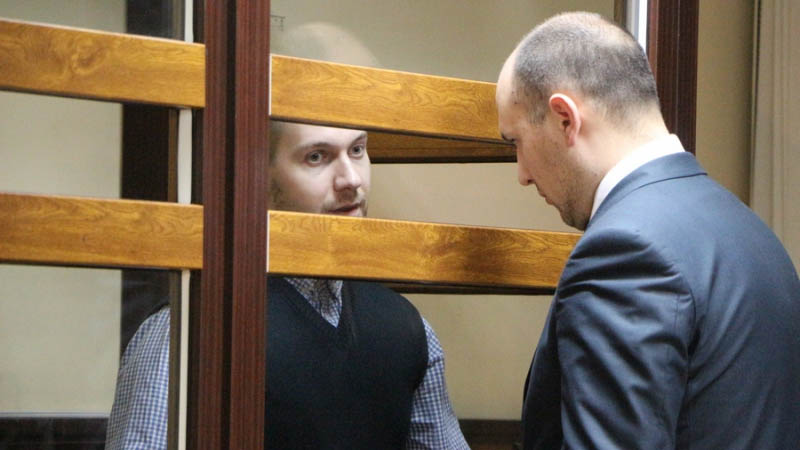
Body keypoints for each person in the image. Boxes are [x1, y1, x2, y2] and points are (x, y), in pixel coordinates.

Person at [495, 11, 800, 450]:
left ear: (565, 118)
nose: (522, 174)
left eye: (516, 142)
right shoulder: (754, 233)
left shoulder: (623, 251)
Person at [105, 122, 469, 449]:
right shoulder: (190, 333)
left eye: (357, 150)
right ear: (259, 179)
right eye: (317, 157)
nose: (351, 179)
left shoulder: (406, 327)